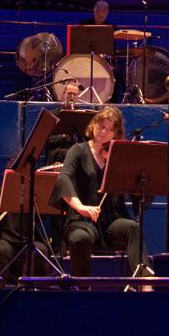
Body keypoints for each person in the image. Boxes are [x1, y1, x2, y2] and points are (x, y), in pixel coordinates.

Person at [50, 106, 143, 276]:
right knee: (80, 238)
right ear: (93, 125)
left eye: (110, 129)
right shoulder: (78, 150)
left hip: (111, 221)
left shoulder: (117, 155)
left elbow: (135, 187)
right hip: (82, 220)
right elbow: (64, 178)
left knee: (133, 228)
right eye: (101, 126)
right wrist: (80, 207)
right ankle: (82, 287)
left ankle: (145, 282)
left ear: (116, 133)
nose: (104, 132)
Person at [0, 180, 52, 280]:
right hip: (5, 240)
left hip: (28, 240)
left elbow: (44, 214)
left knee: (41, 250)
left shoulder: (32, 193)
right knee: (2, 249)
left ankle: (37, 289)